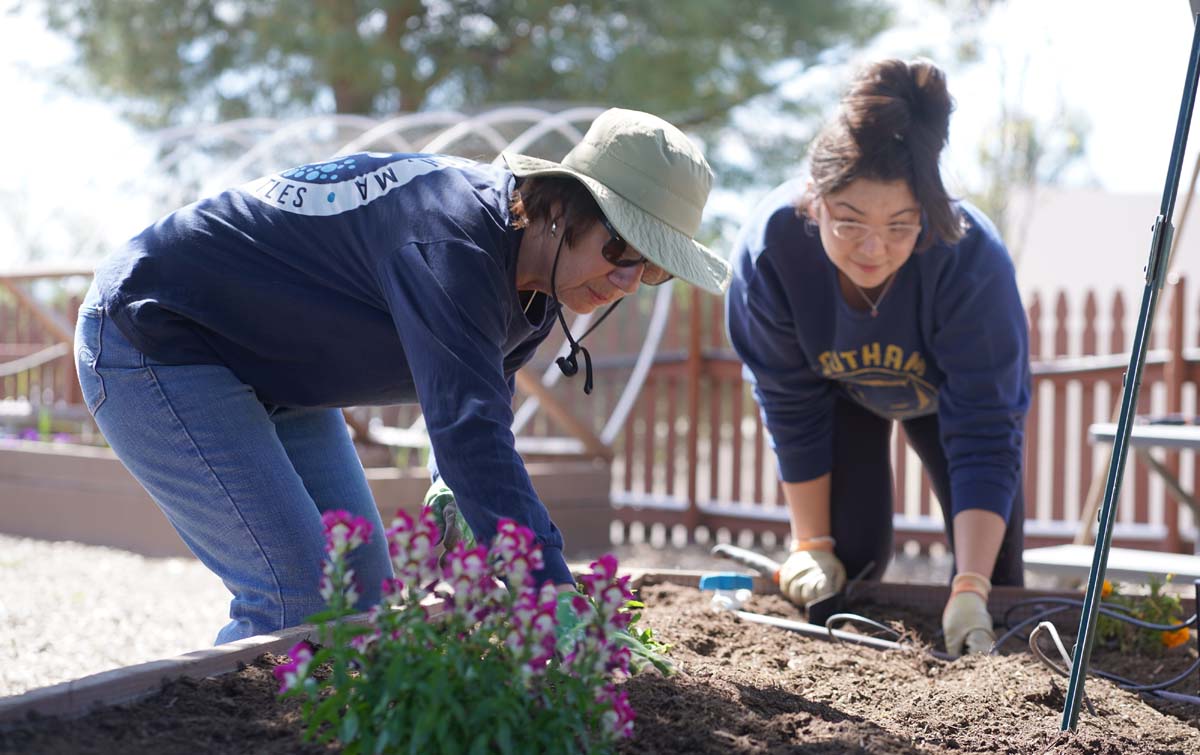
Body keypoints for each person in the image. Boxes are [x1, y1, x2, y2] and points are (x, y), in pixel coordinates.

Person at [75, 108, 731, 644]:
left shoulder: (537, 280)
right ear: (562, 207)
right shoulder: (453, 240)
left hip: (272, 372)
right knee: (296, 598)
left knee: (359, 592)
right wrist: (552, 594)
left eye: (651, 270)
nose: (625, 282)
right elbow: (469, 433)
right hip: (156, 331)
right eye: (620, 249)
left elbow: (481, 397)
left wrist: (452, 486)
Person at [725, 59, 1030, 657]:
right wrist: (811, 543)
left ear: (928, 215)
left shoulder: (971, 261)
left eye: (900, 227)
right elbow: (789, 400)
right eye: (851, 223)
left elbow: (987, 428)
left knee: (999, 581)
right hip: (839, 396)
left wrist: (970, 586)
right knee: (850, 561)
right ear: (815, 202)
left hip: (945, 401)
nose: (874, 249)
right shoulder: (772, 252)